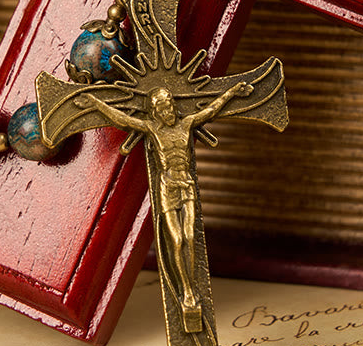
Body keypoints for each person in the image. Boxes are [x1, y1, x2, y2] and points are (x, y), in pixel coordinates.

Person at [76, 81, 250, 327]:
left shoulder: (187, 124)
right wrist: (95, 102)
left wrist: (232, 92)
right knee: (176, 241)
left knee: (190, 237)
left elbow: (212, 109)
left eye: (169, 105)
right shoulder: (152, 129)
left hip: (186, 184)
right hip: (168, 186)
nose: (167, 111)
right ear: (155, 111)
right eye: (162, 108)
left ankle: (191, 291)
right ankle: (186, 291)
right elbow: (122, 119)